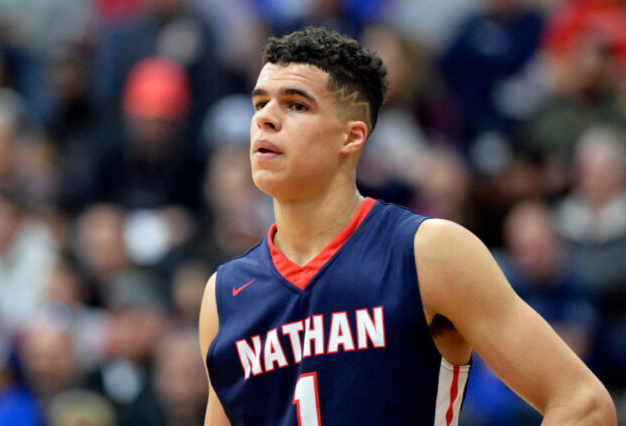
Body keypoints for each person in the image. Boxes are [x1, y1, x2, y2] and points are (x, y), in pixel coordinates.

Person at [198, 27, 616, 425]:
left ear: (351, 137)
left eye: (296, 105)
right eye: (260, 104)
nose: (266, 119)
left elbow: (583, 404)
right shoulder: (223, 296)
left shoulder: (426, 251)